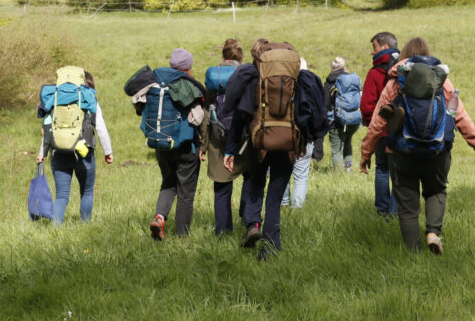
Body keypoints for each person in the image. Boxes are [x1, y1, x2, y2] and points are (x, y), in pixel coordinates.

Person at [360, 36, 475, 254]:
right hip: (437, 151)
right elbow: (461, 117)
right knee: (436, 191)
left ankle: (414, 254)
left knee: (407, 206)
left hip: (401, 152)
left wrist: (366, 154)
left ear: (404, 56)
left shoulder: (395, 82)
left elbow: (378, 122)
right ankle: (433, 233)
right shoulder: (441, 81)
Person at [222, 39, 327, 258]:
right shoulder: (297, 79)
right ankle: (271, 246)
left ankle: (253, 224)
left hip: (257, 142)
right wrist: (307, 141)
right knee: (275, 196)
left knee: (255, 182)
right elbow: (309, 113)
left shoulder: (253, 77)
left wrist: (230, 149)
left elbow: (239, 115)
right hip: (288, 144)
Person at [127, 48, 207, 240]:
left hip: (161, 144)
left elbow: (139, 108)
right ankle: (182, 237)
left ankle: (159, 218)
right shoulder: (187, 85)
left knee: (168, 183)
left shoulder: (153, 82)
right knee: (185, 192)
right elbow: (198, 118)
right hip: (186, 147)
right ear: (188, 66)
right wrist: (203, 143)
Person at [36, 71, 114, 224]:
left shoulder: (54, 98)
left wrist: (41, 153)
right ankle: (85, 225)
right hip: (83, 151)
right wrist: (108, 151)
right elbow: (100, 128)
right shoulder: (88, 97)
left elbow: (48, 128)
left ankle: (55, 228)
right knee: (87, 191)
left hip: (58, 151)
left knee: (61, 195)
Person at [202, 39, 249, 235]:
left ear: (222, 56)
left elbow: (206, 113)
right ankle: (249, 221)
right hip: (245, 138)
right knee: (250, 179)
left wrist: (203, 145)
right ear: (241, 57)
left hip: (218, 138)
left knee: (221, 187)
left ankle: (223, 231)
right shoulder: (247, 75)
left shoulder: (214, 77)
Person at [361, 32, 399, 217]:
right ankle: (396, 213)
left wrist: (373, 124)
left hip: (382, 132)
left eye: (374, 46)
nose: (372, 51)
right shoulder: (406, 71)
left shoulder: (375, 72)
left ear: (384, 46)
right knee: (399, 173)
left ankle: (383, 212)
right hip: (402, 131)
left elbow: (366, 106)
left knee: (382, 169)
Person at [281, 58, 314, 208]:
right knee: (301, 176)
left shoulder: (282, 85)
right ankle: (297, 208)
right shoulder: (310, 87)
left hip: (284, 135)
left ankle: (283, 204)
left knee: (283, 172)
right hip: (305, 137)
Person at [323, 56, 362, 172]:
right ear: (344, 67)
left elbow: (325, 104)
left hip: (336, 121)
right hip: (354, 119)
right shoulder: (353, 81)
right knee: (348, 141)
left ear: (332, 69)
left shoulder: (329, 83)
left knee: (337, 150)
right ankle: (348, 168)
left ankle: (339, 173)